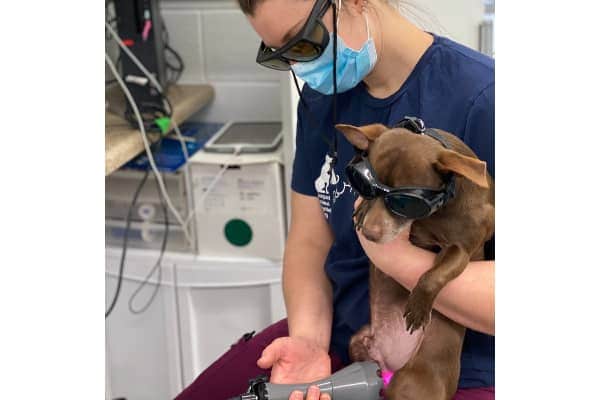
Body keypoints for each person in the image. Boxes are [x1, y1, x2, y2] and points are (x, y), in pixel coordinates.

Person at [176, 0, 494, 399]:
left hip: (454, 369)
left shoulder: (484, 98)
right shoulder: (320, 99)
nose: (299, 65)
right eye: (280, 53)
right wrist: (309, 342)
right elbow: (310, 240)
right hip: (343, 342)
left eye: (303, 42)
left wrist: (395, 259)